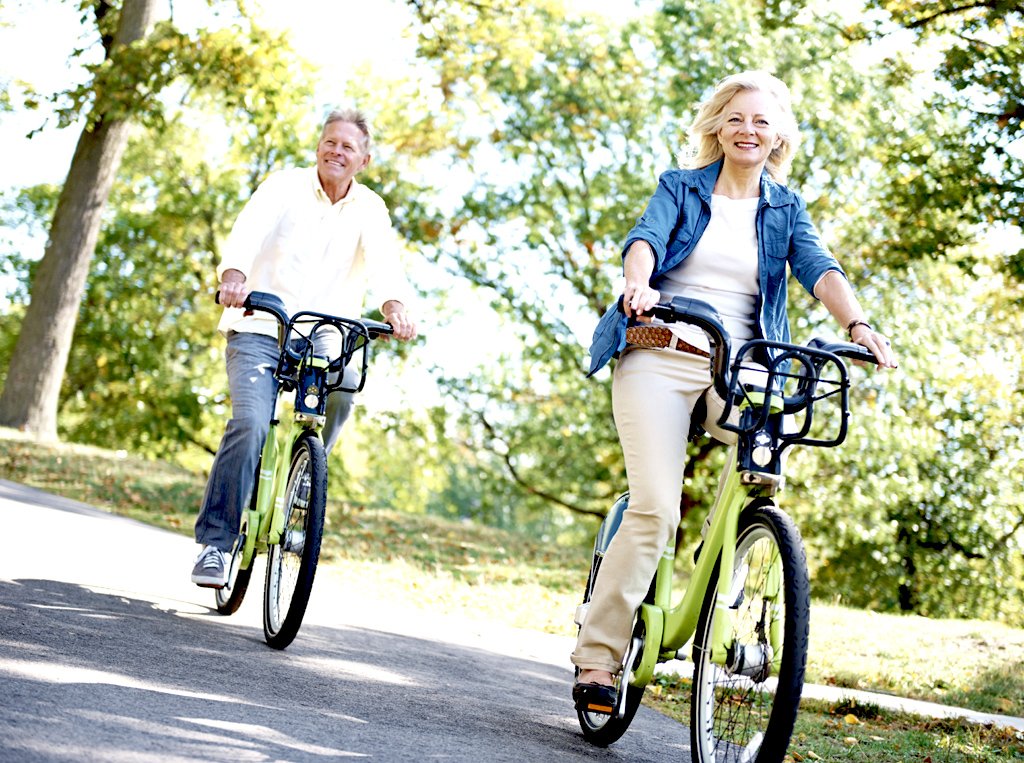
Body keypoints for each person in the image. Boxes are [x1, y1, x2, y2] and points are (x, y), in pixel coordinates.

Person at [571, 71, 897, 711]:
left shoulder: (785, 206)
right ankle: (599, 660)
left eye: (761, 122)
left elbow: (818, 269)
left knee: (763, 478)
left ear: (778, 136)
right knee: (656, 508)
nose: (748, 130)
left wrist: (856, 323)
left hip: (743, 364)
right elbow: (645, 242)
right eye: (737, 119)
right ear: (718, 126)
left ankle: (735, 574)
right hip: (662, 349)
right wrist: (639, 286)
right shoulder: (681, 187)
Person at [191, 108, 417, 588]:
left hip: (325, 329)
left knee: (345, 389)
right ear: (318, 147)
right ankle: (216, 543)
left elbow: (384, 265)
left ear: (364, 160)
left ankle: (304, 476)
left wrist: (395, 308)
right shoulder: (283, 186)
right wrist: (233, 277)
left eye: (347, 147)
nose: (336, 151)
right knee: (251, 421)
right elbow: (248, 232)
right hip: (262, 323)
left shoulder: (371, 208)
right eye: (329, 142)